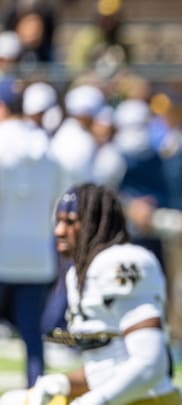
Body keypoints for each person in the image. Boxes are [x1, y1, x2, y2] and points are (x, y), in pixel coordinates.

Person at [0, 184, 182, 404]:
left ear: (94, 224)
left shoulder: (122, 263)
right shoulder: (77, 273)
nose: (59, 231)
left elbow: (151, 365)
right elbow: (107, 366)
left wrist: (96, 400)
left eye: (70, 222)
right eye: (58, 221)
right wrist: (62, 383)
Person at [0, 76, 65, 388]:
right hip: (37, 257)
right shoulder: (48, 149)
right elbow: (60, 202)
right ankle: (36, 393)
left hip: (3, 254)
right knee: (32, 336)